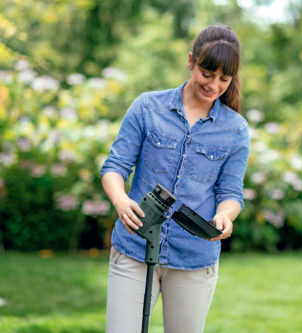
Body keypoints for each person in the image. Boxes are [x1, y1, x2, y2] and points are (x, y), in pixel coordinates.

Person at [100, 25, 250, 333]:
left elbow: (231, 192)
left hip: (195, 258)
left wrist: (225, 216)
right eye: (208, 74)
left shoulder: (235, 130)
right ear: (191, 61)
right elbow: (115, 165)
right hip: (135, 248)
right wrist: (120, 200)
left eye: (225, 78)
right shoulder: (147, 108)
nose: (214, 85)